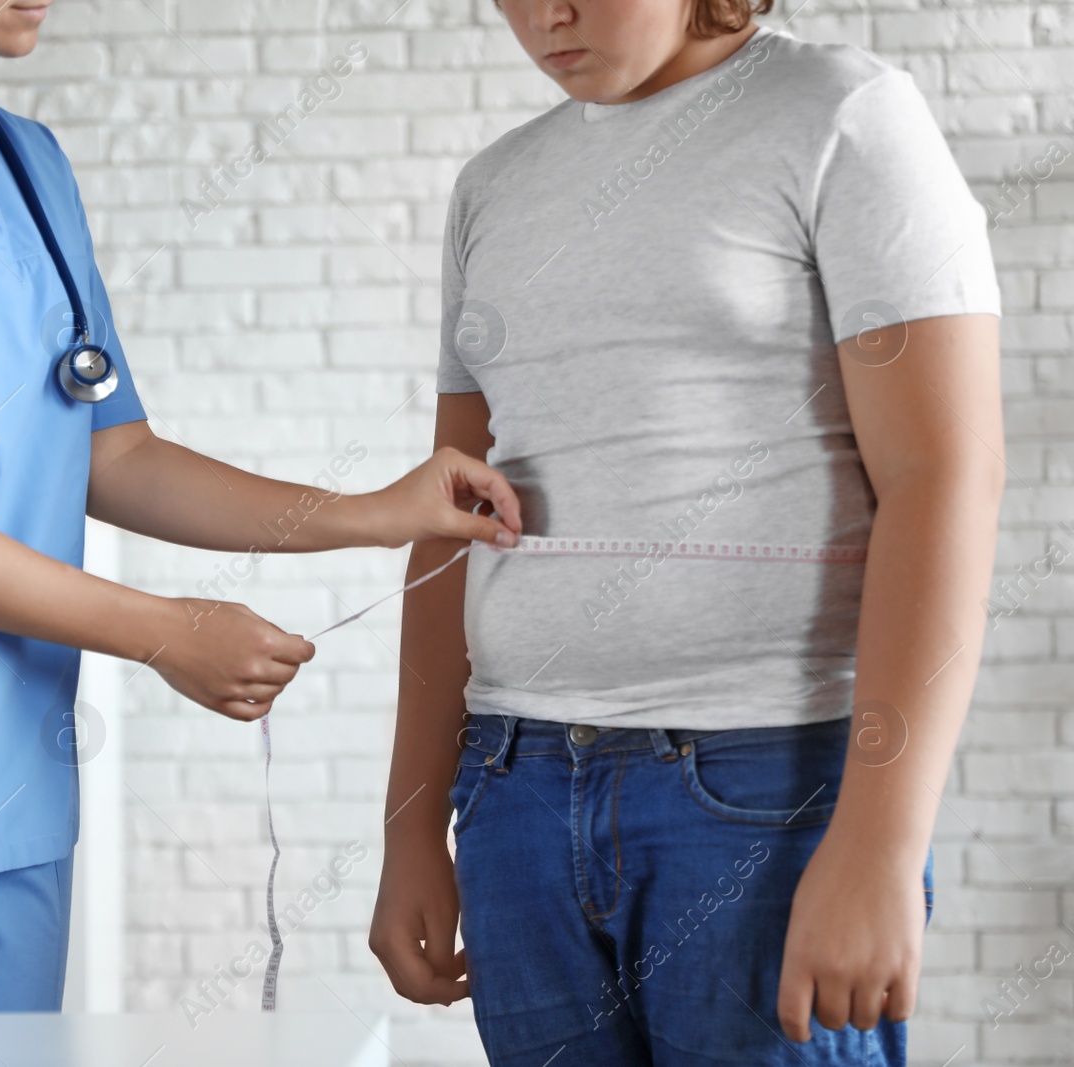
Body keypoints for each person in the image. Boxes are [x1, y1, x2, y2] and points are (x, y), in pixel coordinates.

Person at [0, 0, 522, 1016]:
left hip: (9, 796)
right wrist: (162, 630)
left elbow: (113, 451)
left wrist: (376, 511)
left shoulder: (27, 165)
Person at [367, 0, 1002, 1063]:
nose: (545, 15)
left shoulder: (842, 115)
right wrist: (409, 830)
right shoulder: (493, 184)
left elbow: (943, 477)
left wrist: (880, 841)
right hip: (513, 790)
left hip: (765, 793)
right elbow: (448, 517)